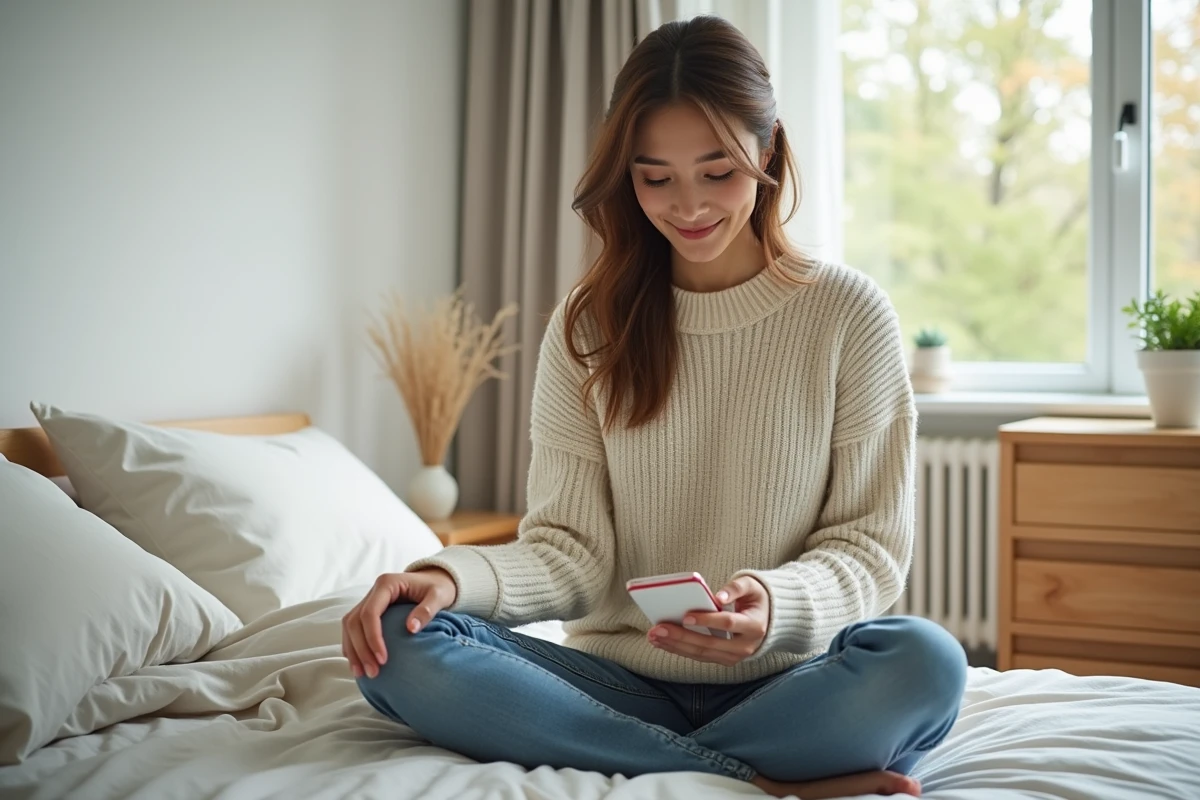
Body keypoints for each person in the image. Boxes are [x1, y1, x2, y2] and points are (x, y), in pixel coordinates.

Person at [342, 15, 967, 800]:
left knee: (927, 662)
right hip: (614, 681)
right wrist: (445, 577)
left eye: (718, 171)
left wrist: (772, 605)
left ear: (767, 152)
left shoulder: (847, 314)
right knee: (401, 647)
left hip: (783, 683)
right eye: (655, 176)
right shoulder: (588, 325)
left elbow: (869, 550)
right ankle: (767, 787)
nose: (689, 205)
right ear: (626, 175)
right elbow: (570, 551)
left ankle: (662, 764)